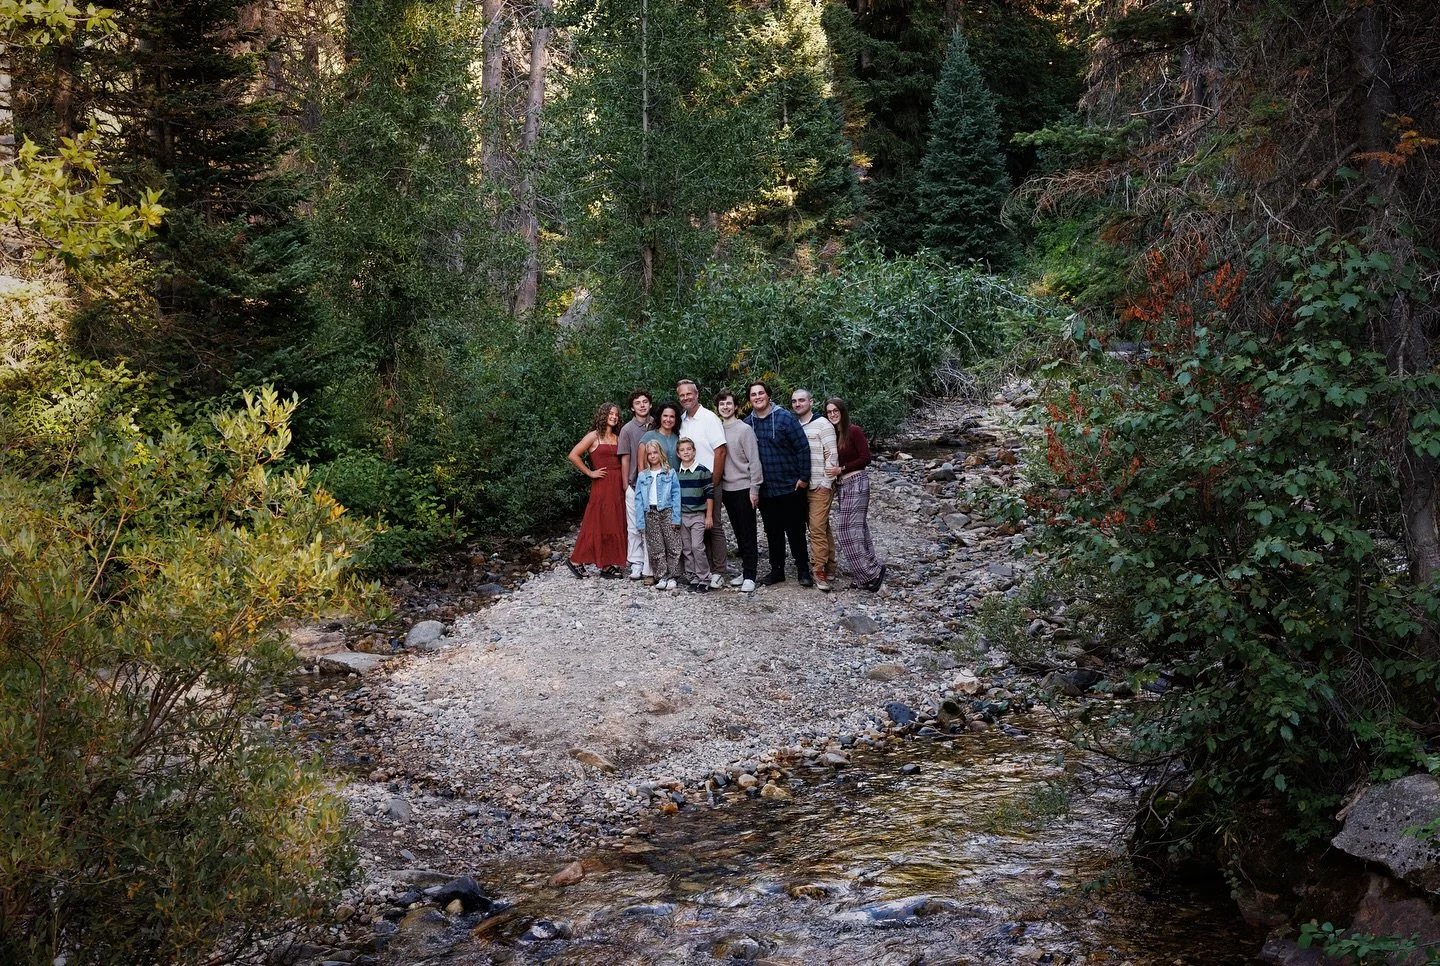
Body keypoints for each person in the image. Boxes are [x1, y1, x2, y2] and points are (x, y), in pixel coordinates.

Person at [743, 380, 814, 587]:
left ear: (768, 395)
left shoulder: (785, 419)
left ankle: (803, 569)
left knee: (795, 530)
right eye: (753, 394)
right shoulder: (748, 424)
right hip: (766, 488)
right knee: (772, 531)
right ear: (750, 399)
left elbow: (802, 448)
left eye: (761, 393)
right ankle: (777, 570)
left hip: (790, 486)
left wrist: (803, 478)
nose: (757, 397)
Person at [825, 396, 885, 591]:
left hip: (856, 482)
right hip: (843, 485)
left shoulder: (854, 431)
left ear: (843, 412)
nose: (833, 414)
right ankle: (867, 572)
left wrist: (841, 469)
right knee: (859, 529)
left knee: (845, 530)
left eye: (836, 411)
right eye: (829, 412)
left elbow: (865, 458)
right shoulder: (834, 434)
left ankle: (870, 574)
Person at [676, 379, 729, 588]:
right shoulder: (683, 420)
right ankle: (701, 570)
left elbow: (721, 450)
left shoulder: (709, 418)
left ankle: (719, 570)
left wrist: (714, 481)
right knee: (696, 531)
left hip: (708, 481)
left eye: (689, 394)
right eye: (682, 395)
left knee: (713, 525)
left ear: (697, 394)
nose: (686, 398)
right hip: (689, 483)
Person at [566, 402, 628, 578]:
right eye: (610, 414)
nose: (614, 417)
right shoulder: (594, 435)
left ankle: (607, 564)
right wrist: (590, 472)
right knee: (596, 522)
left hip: (617, 484)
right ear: (602, 415)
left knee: (614, 522)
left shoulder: (618, 436)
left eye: (616, 414)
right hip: (602, 484)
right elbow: (573, 455)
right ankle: (576, 560)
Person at [791, 388, 839, 592]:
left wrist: (827, 483)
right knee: (821, 526)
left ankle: (818, 570)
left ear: (811, 401)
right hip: (802, 485)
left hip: (820, 484)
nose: (798, 404)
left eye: (802, 400)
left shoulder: (823, 424)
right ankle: (830, 564)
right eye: (794, 401)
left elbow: (833, 455)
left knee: (817, 527)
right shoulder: (794, 425)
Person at [715, 390, 762, 593]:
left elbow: (754, 460)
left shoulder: (745, 430)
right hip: (726, 489)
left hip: (744, 487)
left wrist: (755, 488)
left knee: (748, 532)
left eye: (729, 404)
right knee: (738, 533)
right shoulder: (717, 429)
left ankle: (751, 575)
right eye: (721, 404)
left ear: (736, 407)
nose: (725, 407)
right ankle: (745, 571)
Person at [633, 439, 683, 590]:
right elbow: (638, 501)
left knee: (673, 545)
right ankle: (661, 576)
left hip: (667, 511)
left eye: (655, 452)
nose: (653, 456)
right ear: (646, 457)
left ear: (660, 453)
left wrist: (676, 517)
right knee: (656, 547)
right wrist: (641, 522)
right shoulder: (643, 476)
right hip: (650, 513)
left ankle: (673, 576)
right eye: (649, 454)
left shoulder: (670, 472)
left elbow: (676, 495)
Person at [617, 389, 654, 580]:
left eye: (645, 401)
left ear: (650, 404)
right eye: (638, 402)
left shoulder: (657, 424)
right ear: (632, 407)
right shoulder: (627, 429)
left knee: (652, 525)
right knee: (634, 526)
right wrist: (625, 485)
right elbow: (625, 458)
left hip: (655, 484)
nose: (642, 405)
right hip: (633, 483)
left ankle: (651, 562)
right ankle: (636, 562)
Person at [673, 437, 714, 593]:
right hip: (683, 516)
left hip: (698, 515)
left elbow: (710, 494)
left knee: (697, 547)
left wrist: (708, 516)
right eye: (682, 450)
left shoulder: (702, 471)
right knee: (687, 548)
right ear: (678, 453)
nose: (686, 452)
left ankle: (704, 577)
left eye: (689, 449)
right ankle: (692, 577)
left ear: (694, 451)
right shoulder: (677, 474)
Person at [640, 401, 681, 473]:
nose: (668, 419)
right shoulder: (648, 436)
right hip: (656, 482)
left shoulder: (679, 437)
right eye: (665, 416)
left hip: (678, 481)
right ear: (660, 417)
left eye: (672, 416)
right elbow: (641, 466)